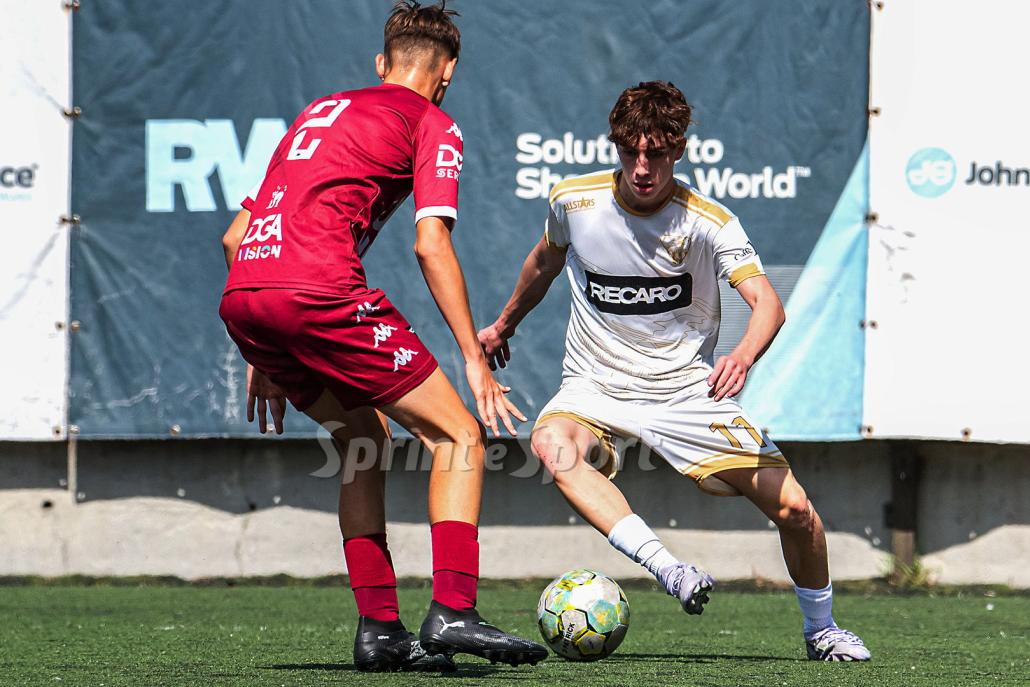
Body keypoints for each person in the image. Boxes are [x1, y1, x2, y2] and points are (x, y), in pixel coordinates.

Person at [478, 81, 871, 662]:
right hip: (595, 386)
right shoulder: (573, 201)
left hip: (686, 393)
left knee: (795, 510)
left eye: (656, 153)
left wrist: (742, 355)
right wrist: (504, 323)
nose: (642, 168)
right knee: (550, 445)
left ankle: (822, 630)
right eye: (630, 152)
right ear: (616, 147)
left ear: (679, 150)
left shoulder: (710, 223)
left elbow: (768, 303)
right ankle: (667, 567)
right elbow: (544, 260)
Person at [219, 1, 547, 672]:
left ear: (382, 63)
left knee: (362, 439)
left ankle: (380, 630)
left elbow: (234, 237)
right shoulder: (432, 122)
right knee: (457, 435)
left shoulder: (319, 111)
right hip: (319, 291)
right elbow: (431, 244)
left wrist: (267, 342)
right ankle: (453, 608)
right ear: (448, 71)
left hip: (248, 297)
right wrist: (473, 357)